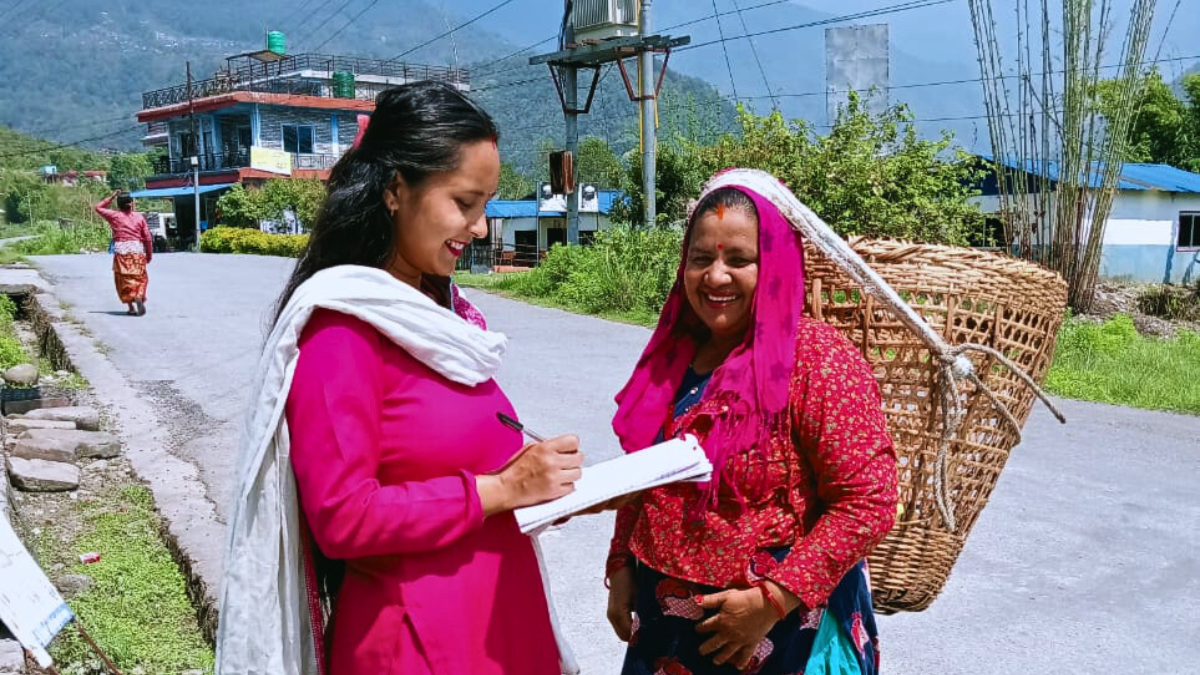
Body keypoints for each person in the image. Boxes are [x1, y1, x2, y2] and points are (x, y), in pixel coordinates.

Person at [217, 82, 584, 675]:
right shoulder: (344, 333)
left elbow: (454, 461)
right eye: (464, 203)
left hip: (498, 624)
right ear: (395, 190)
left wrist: (538, 488)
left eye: (486, 204)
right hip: (417, 643)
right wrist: (500, 489)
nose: (481, 228)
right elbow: (344, 517)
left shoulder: (444, 318)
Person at [605, 170, 899, 675]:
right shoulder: (675, 355)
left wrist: (771, 601)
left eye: (739, 259)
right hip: (664, 628)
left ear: (777, 265)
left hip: (777, 634)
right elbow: (647, 475)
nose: (716, 276)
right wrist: (621, 565)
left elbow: (868, 501)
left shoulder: (816, 359)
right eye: (701, 258)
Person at [94, 190, 153, 315]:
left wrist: (112, 196)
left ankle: (131, 307)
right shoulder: (139, 217)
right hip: (136, 250)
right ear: (131, 204)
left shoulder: (114, 216)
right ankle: (139, 294)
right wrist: (149, 254)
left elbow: (98, 207)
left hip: (121, 251)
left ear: (118, 204)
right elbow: (147, 237)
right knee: (140, 277)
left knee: (123, 279)